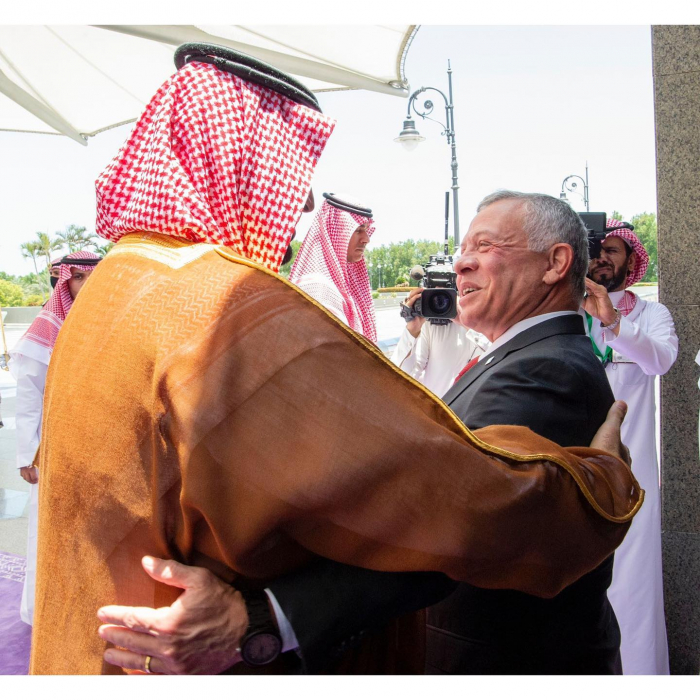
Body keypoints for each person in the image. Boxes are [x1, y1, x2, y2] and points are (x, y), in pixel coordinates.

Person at [30, 46, 640, 676]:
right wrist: (601, 480)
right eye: (287, 175)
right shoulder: (221, 305)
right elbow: (451, 499)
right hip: (167, 651)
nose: (296, 207)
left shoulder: (117, 285)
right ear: (240, 163)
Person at [93, 190, 640, 676]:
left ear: (556, 264)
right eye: (463, 248)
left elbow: (451, 520)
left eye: (487, 245)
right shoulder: (524, 355)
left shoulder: (546, 369)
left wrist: (261, 620)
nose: (461, 262)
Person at [583, 219, 677, 675]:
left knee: (633, 592)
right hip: (574, 476)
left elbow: (661, 360)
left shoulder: (651, 314)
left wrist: (614, 322)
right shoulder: (565, 313)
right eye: (596, 249)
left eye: (613, 250)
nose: (602, 257)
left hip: (632, 481)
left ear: (631, 260)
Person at [9, 251, 101, 625]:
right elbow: (28, 398)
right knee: (51, 528)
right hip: (55, 447)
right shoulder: (45, 330)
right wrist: (26, 455)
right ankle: (46, 611)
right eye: (79, 277)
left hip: (99, 444)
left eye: (93, 276)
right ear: (63, 282)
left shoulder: (105, 322)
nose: (88, 283)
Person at [289, 193, 376, 342]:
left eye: (366, 230)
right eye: (358, 230)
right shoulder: (319, 289)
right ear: (336, 230)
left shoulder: (335, 285)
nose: (366, 239)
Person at [391, 287, 487, 396]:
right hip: (436, 405)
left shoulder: (490, 325)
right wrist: (412, 330)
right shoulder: (428, 325)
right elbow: (400, 380)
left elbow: (496, 361)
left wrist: (468, 324)